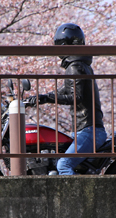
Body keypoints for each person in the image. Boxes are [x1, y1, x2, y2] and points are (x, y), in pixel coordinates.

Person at [28, 23, 106, 175]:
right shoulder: (80, 65)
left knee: (63, 165)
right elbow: (65, 90)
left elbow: (75, 97)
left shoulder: (75, 66)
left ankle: (77, 198)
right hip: (85, 130)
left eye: (58, 46)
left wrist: (47, 98)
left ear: (64, 45)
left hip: (89, 131)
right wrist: (42, 98)